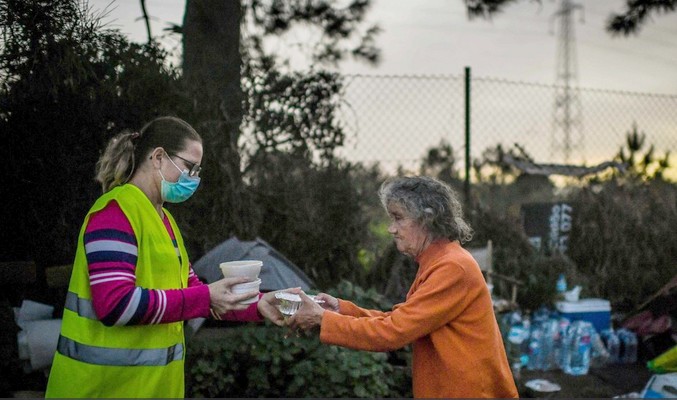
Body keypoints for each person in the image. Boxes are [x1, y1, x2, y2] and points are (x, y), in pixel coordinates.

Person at [45, 116, 285, 398]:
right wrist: (206, 297)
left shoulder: (165, 220)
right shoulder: (114, 213)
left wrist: (259, 305)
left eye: (197, 171)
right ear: (158, 157)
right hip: (99, 389)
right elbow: (116, 305)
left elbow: (194, 293)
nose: (194, 179)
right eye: (189, 167)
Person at [289, 176, 519, 398]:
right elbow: (402, 320)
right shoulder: (440, 260)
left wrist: (323, 319)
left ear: (427, 219)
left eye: (398, 218)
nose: (391, 228)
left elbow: (393, 332)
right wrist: (340, 310)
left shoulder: (452, 267)